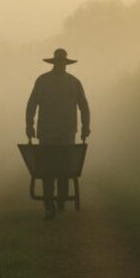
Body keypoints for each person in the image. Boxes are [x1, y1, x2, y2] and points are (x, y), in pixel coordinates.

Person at [25, 48, 90, 220]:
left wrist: (29, 126)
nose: (61, 66)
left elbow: (31, 105)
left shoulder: (44, 81)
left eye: (61, 63)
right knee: (60, 169)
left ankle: (53, 203)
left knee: (53, 170)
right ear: (61, 63)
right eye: (60, 63)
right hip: (59, 134)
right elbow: (83, 107)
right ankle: (55, 202)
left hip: (55, 133)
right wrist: (85, 128)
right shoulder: (72, 82)